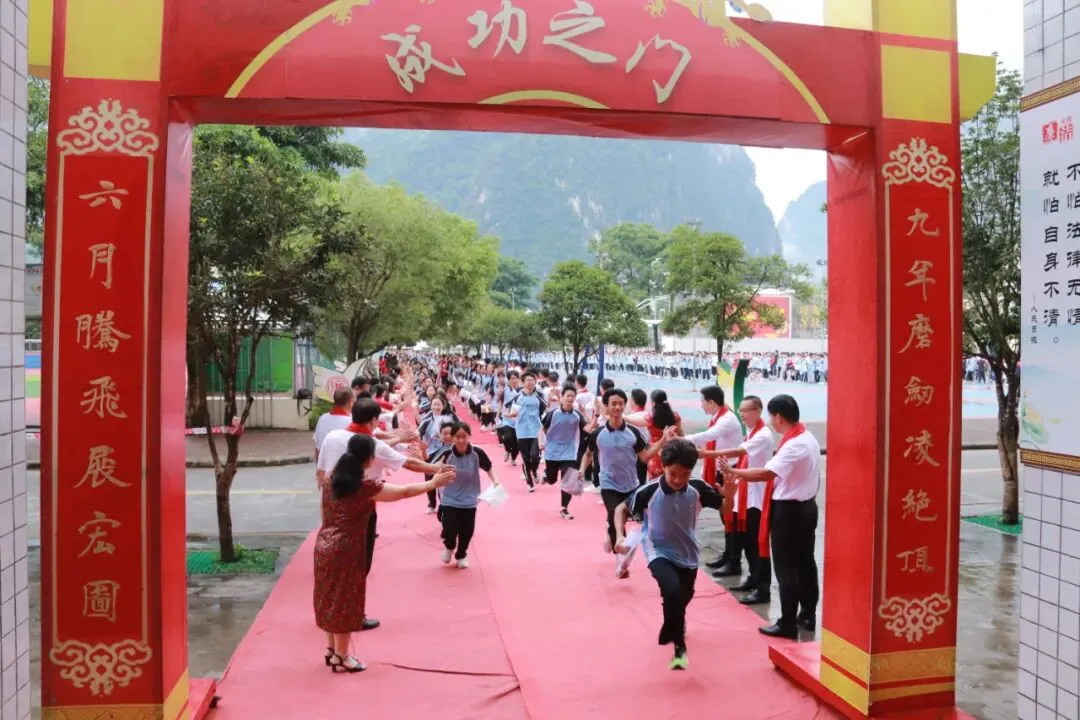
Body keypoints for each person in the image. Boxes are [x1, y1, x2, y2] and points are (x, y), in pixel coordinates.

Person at [315, 433, 455, 672]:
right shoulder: (363, 486)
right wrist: (432, 484)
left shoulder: (331, 481)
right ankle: (343, 655)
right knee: (346, 600)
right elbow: (403, 492)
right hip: (347, 549)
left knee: (328, 597)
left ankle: (331, 649)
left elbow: (322, 511)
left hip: (324, 544)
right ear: (369, 458)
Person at [614, 439, 734, 669]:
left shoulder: (698, 488)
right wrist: (620, 536)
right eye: (672, 474)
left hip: (688, 553)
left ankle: (673, 621)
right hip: (657, 549)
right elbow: (622, 508)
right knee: (671, 589)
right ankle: (679, 647)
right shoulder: (649, 491)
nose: (678, 480)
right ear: (663, 467)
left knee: (682, 598)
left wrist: (730, 493)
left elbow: (726, 509)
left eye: (684, 475)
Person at [315, 398, 431, 631]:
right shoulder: (368, 457)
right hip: (359, 516)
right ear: (373, 421)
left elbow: (320, 473)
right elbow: (406, 484)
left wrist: (327, 506)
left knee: (331, 575)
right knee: (357, 570)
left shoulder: (333, 438)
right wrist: (437, 475)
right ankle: (350, 618)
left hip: (331, 512)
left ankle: (332, 620)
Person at [719, 394, 821, 638]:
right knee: (806, 564)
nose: (770, 421)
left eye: (771, 416)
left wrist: (734, 471)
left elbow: (766, 473)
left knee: (788, 569)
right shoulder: (807, 437)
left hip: (789, 513)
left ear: (779, 417)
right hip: (806, 507)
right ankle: (807, 614)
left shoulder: (795, 444)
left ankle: (787, 622)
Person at [580, 389, 668, 578]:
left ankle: (615, 537)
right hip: (609, 483)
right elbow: (588, 454)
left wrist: (662, 441)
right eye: (614, 403)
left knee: (625, 518)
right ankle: (621, 558)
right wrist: (581, 470)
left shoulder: (633, 433)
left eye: (621, 403)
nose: (618, 407)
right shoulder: (599, 434)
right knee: (615, 513)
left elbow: (644, 457)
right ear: (606, 406)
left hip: (631, 484)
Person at [699, 395, 774, 605]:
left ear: (758, 411)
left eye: (746, 410)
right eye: (740, 410)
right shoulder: (751, 431)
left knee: (756, 544)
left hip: (756, 498)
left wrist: (706, 453)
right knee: (746, 542)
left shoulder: (763, 434)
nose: (742, 414)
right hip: (745, 495)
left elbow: (739, 451)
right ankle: (753, 579)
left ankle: (763, 588)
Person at [683, 385, 744, 576]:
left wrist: (683, 439)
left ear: (711, 402)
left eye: (702, 401)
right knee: (724, 516)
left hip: (730, 471)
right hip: (722, 470)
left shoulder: (726, 419)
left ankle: (734, 561)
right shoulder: (718, 417)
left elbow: (708, 436)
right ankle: (728, 555)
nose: (701, 405)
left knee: (730, 517)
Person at [431, 422, 500, 568]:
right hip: (449, 497)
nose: (461, 440)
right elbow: (431, 468)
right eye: (458, 436)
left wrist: (495, 481)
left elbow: (489, 467)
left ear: (469, 436)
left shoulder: (477, 452)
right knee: (449, 529)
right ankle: (449, 547)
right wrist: (438, 468)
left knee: (467, 531)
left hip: (470, 498)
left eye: (464, 436)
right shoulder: (446, 453)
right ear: (453, 437)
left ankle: (461, 554)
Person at [541, 385, 589, 519]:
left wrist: (595, 415)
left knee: (568, 481)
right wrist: (544, 441)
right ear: (561, 398)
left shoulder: (577, 415)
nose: (570, 398)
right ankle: (546, 474)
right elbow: (543, 429)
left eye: (572, 396)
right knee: (551, 480)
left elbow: (588, 429)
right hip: (552, 451)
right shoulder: (553, 413)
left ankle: (564, 508)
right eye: (567, 396)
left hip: (569, 452)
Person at [627, 389, 684, 481]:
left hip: (656, 452)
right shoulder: (675, 416)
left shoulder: (651, 417)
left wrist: (622, 416)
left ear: (653, 402)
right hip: (673, 450)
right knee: (672, 477)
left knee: (655, 481)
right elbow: (681, 433)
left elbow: (634, 421)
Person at [509, 371, 545, 490]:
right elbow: (512, 412)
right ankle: (530, 482)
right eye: (528, 380)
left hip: (536, 430)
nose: (531, 382)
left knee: (535, 456)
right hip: (522, 430)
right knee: (526, 458)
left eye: (532, 380)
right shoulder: (517, 397)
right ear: (523, 382)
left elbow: (544, 409)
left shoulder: (539, 395)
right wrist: (511, 414)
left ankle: (534, 471)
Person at [313, 388, 353, 463]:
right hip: (344, 466)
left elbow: (317, 447)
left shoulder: (322, 418)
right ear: (350, 402)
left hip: (325, 465)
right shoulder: (352, 421)